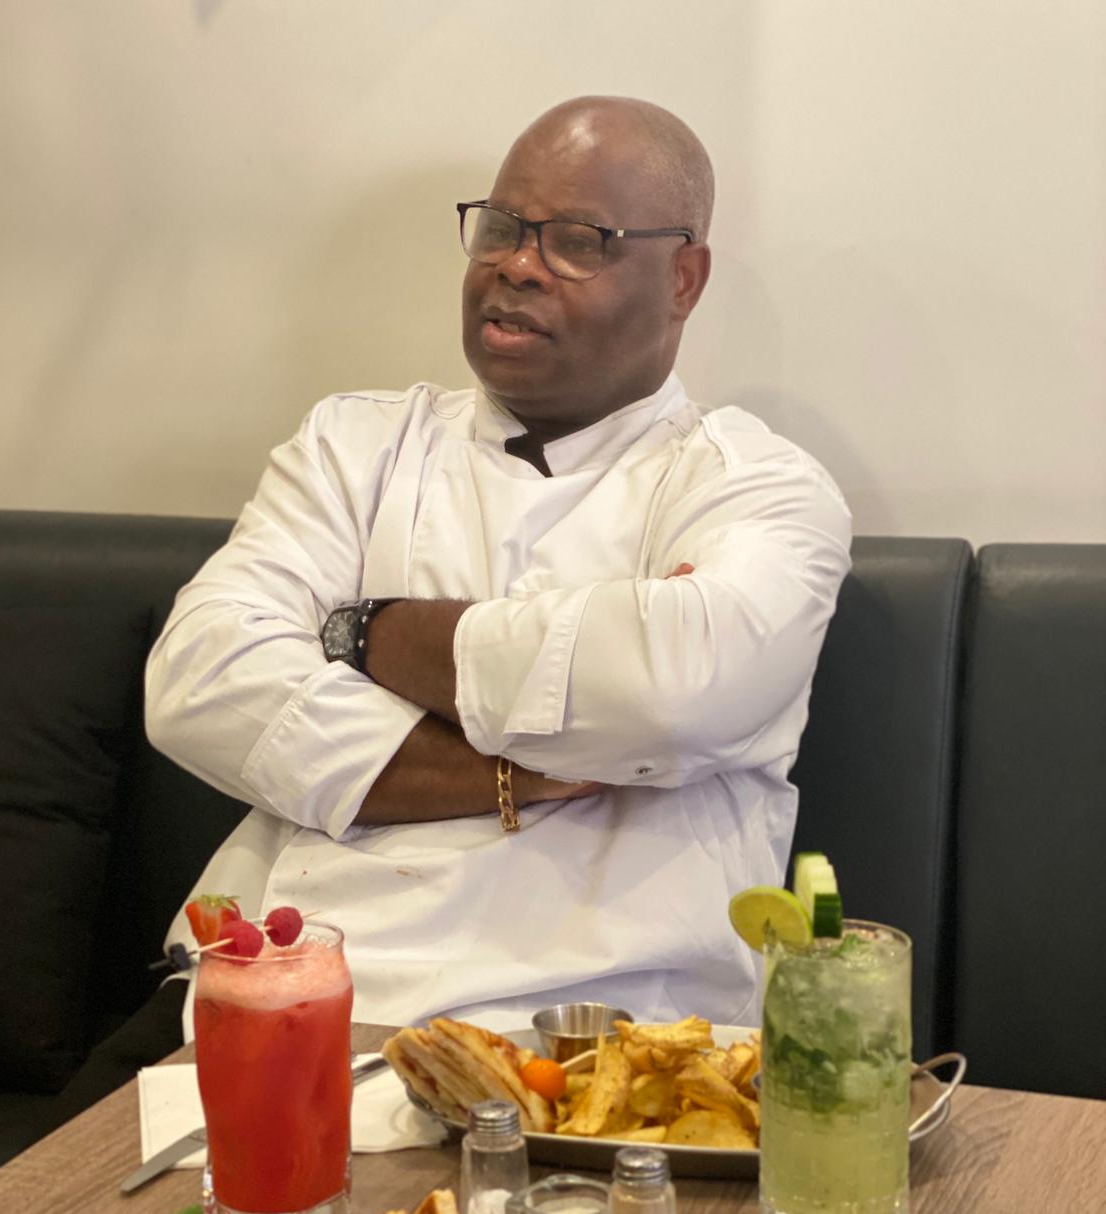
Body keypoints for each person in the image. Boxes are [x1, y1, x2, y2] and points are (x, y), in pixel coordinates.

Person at [144, 94, 852, 1041]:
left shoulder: (756, 485)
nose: (517, 264)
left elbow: (674, 687)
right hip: (277, 994)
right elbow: (198, 682)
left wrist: (366, 633)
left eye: (579, 241)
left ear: (683, 279)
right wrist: (520, 773)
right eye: (504, 228)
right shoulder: (356, 446)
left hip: (605, 1034)